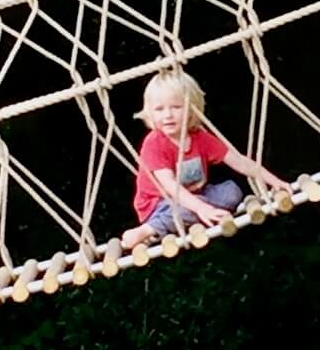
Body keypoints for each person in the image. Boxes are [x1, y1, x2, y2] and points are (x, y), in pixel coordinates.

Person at [123, 69, 291, 248]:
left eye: (176, 107)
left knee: (231, 192)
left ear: (191, 109)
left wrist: (273, 181)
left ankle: (199, 213)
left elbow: (239, 161)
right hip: (160, 204)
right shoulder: (154, 143)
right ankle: (148, 229)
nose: (168, 115)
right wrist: (201, 208)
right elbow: (170, 186)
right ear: (150, 113)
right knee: (184, 210)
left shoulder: (200, 138)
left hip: (196, 196)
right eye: (159, 109)